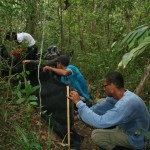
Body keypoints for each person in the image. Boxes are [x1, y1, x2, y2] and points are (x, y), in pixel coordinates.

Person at [68, 71, 150, 150]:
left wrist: (79, 103)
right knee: (101, 102)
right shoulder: (122, 95)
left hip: (136, 138)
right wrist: (78, 116)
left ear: (111, 86)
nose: (104, 89)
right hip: (134, 127)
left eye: (105, 86)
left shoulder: (125, 103)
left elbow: (100, 122)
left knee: (96, 135)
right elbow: (99, 108)